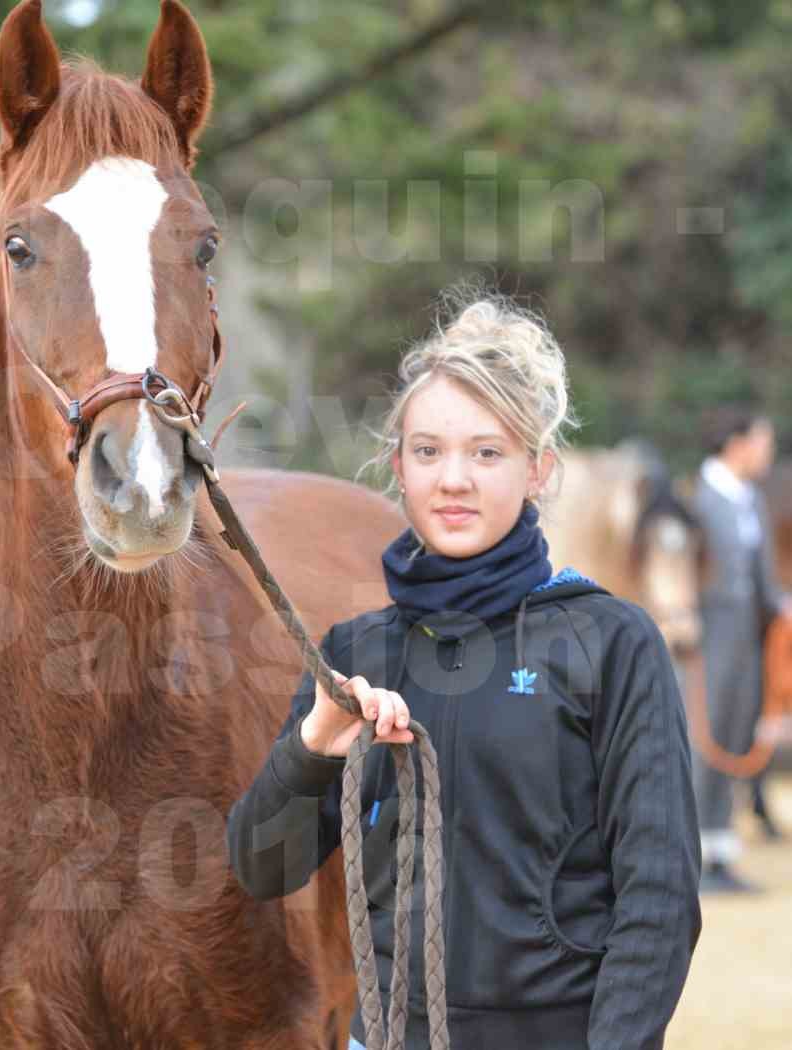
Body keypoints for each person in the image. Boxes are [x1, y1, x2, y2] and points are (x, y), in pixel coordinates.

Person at [226, 293, 702, 1050]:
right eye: (428, 452)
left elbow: (661, 896)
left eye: (487, 452)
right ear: (399, 467)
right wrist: (313, 745)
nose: (454, 480)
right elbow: (261, 867)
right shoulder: (356, 655)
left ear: (538, 469)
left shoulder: (610, 642)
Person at [692, 406, 792, 893]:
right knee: (702, 746)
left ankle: (720, 855)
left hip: (747, 644)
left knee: (732, 744)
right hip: (707, 644)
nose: (767, 453)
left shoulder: (748, 499)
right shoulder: (698, 500)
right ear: (737, 444)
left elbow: (764, 581)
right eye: (762, 442)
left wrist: (784, 609)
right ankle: (687, 858)